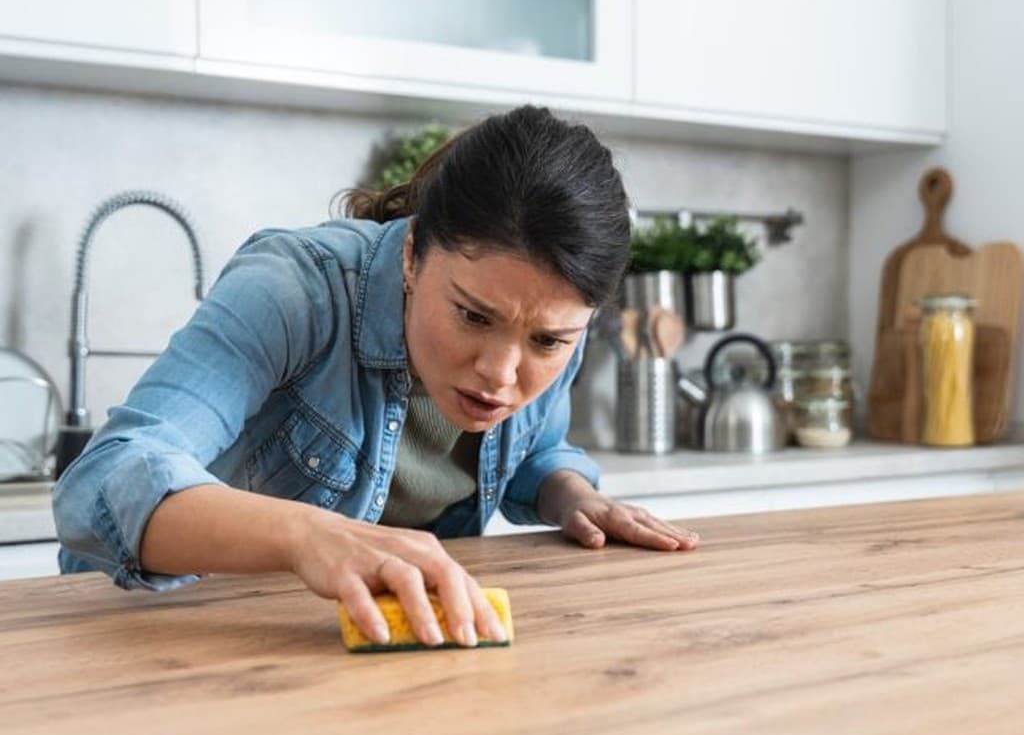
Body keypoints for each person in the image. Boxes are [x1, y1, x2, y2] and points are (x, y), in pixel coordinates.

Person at [52, 105, 700, 649]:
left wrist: (571, 498)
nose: (500, 373)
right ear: (414, 253)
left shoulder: (554, 321)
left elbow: (537, 448)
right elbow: (103, 479)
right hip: (154, 634)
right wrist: (306, 535)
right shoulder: (294, 290)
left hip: (348, 651)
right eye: (473, 315)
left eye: (547, 341)